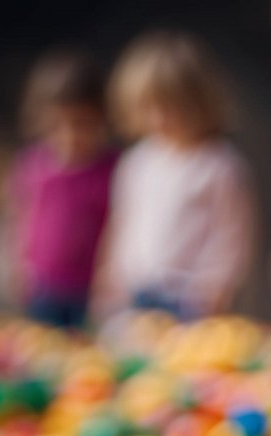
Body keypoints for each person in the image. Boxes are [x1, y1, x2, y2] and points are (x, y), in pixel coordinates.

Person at [93, 31, 255, 321]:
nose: (159, 119)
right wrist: (110, 282)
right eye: (149, 108)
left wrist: (215, 289)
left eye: (170, 108)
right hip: (137, 292)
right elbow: (122, 225)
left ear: (198, 102)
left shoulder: (217, 164)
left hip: (190, 298)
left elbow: (231, 235)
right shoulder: (136, 162)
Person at [8, 50, 118, 328]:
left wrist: (111, 278)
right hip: (43, 287)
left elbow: (119, 227)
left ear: (101, 118)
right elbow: (20, 216)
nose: (69, 136)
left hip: (91, 291)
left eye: (81, 124)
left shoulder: (112, 170)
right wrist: (17, 266)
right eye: (56, 125)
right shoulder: (32, 165)